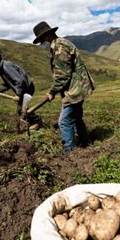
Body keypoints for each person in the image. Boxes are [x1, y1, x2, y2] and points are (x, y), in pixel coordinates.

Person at [32, 21, 95, 153]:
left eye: (42, 39)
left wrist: (52, 91)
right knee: (76, 118)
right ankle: (87, 144)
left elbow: (63, 75)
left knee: (64, 121)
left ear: (47, 35)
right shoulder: (60, 44)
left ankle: (70, 151)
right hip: (78, 87)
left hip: (76, 89)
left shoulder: (60, 47)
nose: (42, 42)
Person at [0, 49, 42, 129]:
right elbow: (8, 84)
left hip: (26, 88)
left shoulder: (6, 67)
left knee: (21, 109)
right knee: (22, 109)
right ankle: (32, 122)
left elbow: (20, 81)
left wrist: (18, 94)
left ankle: (37, 122)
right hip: (24, 88)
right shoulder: (2, 69)